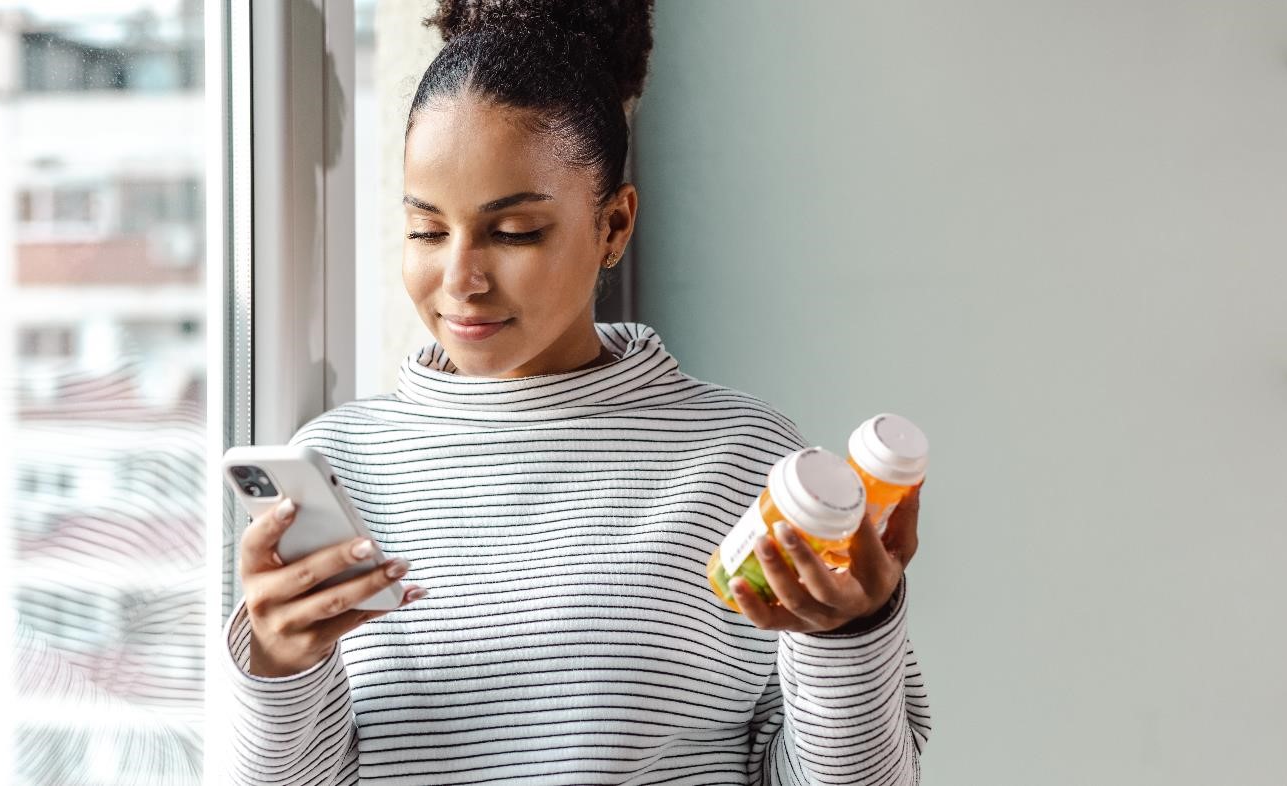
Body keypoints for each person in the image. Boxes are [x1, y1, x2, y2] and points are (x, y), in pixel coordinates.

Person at [221, 2, 931, 783]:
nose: (459, 278)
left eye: (514, 231)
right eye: (426, 230)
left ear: (614, 225)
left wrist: (850, 636)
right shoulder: (336, 464)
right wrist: (278, 668)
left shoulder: (744, 461)